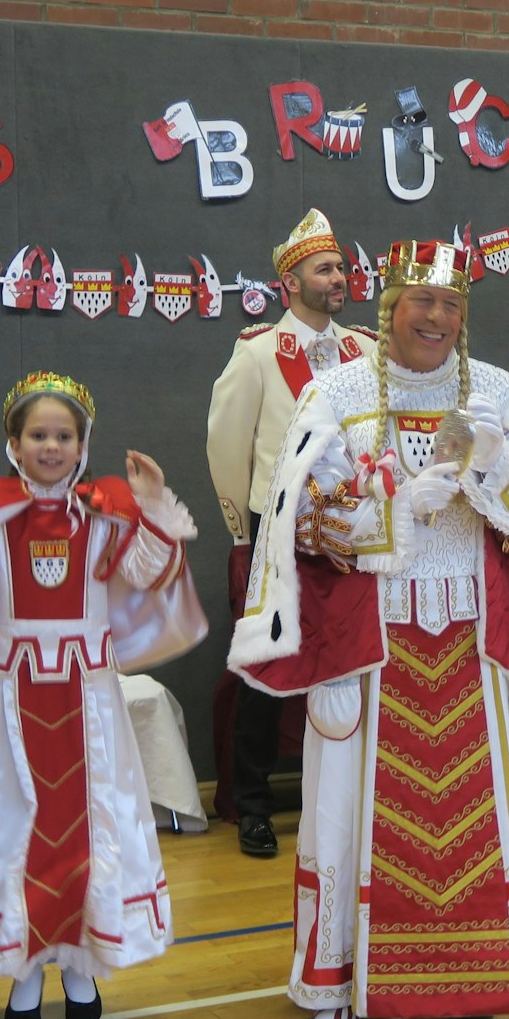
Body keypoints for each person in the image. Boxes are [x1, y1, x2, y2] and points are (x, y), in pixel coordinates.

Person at [228, 239, 509, 1019]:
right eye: (420, 303)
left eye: (452, 305)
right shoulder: (337, 390)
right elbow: (302, 514)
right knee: (345, 810)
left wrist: (488, 465)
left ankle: (470, 981)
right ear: (388, 307)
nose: (437, 318)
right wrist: (393, 513)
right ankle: (341, 979)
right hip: (372, 639)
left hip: (468, 634)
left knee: (475, 813)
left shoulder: (496, 389)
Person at [0, 372, 206, 1019]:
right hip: (10, 693)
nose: (51, 445)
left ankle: (81, 962)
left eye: (63, 435)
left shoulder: (105, 509)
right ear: (13, 442)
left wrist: (155, 508)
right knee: (21, 823)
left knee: (89, 823)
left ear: (82, 442)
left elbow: (147, 574)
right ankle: (24, 968)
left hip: (87, 694)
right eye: (38, 434)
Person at [207, 210, 377, 857]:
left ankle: (346, 791)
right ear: (290, 281)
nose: (339, 277)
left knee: (353, 656)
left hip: (354, 526)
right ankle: (252, 802)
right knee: (268, 661)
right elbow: (227, 446)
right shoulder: (256, 355)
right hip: (279, 526)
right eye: (325, 268)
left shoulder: (365, 350)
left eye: (340, 266)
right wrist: (242, 530)